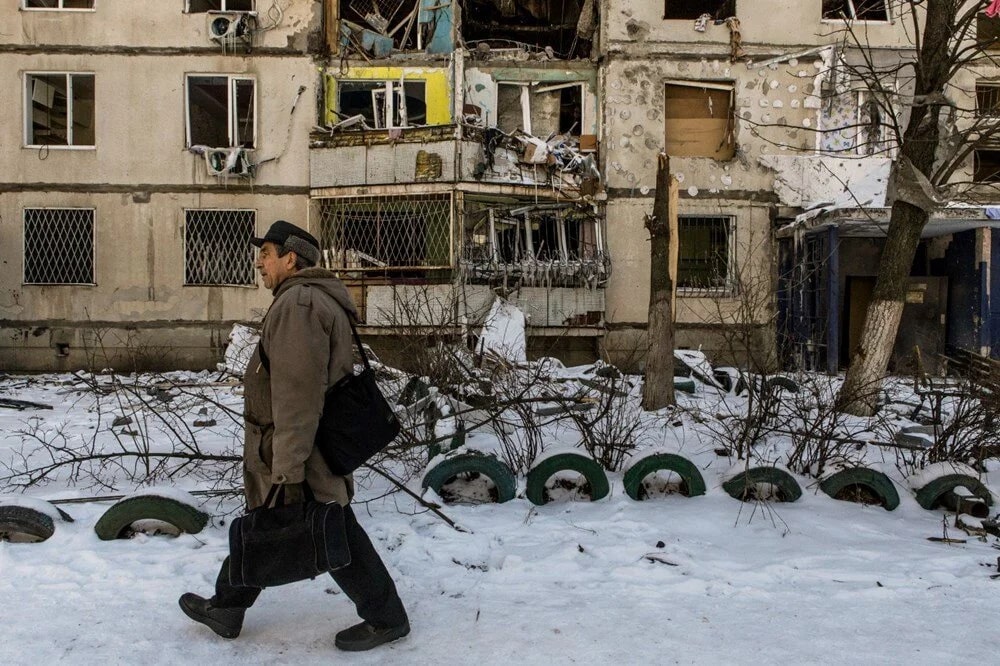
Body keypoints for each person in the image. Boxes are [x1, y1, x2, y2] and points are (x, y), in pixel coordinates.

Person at [179, 220, 409, 652]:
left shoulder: (299, 305)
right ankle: (228, 604)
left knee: (315, 526)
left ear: (291, 258)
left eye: (266, 253)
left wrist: (288, 466)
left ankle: (386, 617)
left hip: (300, 445)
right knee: (284, 522)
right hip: (303, 442)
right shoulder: (307, 300)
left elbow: (298, 393)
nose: (259, 263)